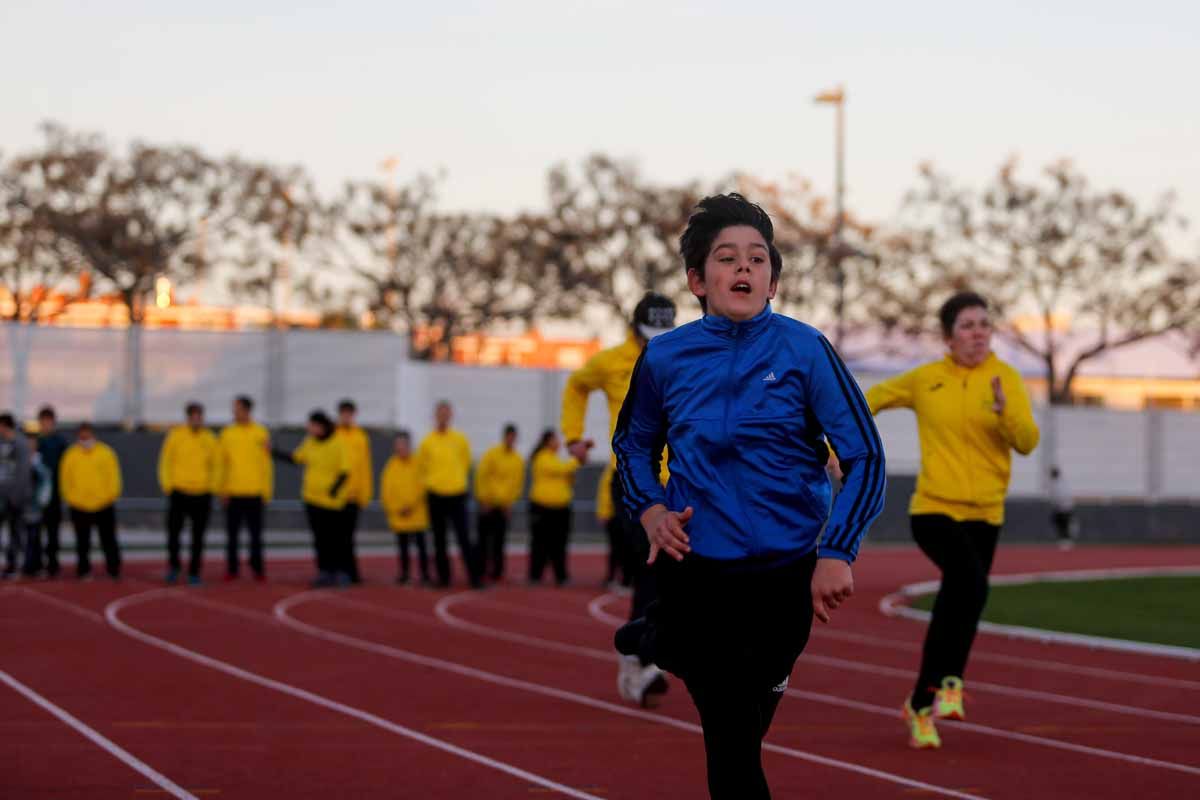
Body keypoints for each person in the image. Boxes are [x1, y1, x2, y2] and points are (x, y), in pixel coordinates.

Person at [613, 194, 886, 799]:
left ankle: (660, 641)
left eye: (757, 259)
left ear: (773, 280)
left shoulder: (806, 350)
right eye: (727, 258)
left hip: (784, 575)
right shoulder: (664, 358)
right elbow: (632, 447)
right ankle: (673, 634)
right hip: (697, 569)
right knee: (733, 745)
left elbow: (866, 455)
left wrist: (837, 552)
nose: (744, 269)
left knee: (741, 729)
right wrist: (652, 509)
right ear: (696, 280)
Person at [866, 290, 1039, 750]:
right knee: (972, 586)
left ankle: (922, 705)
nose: (978, 333)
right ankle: (951, 684)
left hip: (986, 513)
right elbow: (871, 399)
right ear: (948, 336)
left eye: (984, 324)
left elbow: (1026, 442)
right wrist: (835, 443)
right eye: (967, 325)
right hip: (934, 509)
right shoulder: (927, 380)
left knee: (958, 602)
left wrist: (1005, 415)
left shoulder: (1006, 379)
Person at [561, 290, 677, 706]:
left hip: (679, 484)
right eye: (647, 335)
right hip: (632, 482)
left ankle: (640, 650)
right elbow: (576, 386)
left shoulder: (681, 356)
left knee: (679, 576)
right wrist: (573, 436)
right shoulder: (610, 361)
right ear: (632, 328)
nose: (653, 342)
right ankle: (640, 658)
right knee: (651, 569)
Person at [273, 411, 351, 587]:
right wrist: (274, 452)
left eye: (312, 425)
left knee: (335, 539)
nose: (309, 429)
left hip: (332, 502)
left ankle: (338, 571)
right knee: (319, 539)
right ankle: (324, 572)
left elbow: (345, 471)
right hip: (312, 499)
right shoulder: (310, 442)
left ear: (321, 426)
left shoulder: (339, 442)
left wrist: (333, 490)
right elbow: (296, 458)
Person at [416, 401, 482, 589]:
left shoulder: (460, 439)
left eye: (446, 413)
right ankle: (443, 578)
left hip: (457, 494)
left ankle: (474, 577)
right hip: (435, 495)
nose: (443, 416)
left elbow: (466, 462)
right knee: (439, 539)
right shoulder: (427, 442)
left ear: (451, 415)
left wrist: (456, 481)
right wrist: (431, 485)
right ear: (435, 415)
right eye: (440, 413)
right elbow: (421, 468)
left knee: (464, 538)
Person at [157, 402, 219, 585]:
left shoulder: (209, 438)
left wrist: (212, 487)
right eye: (193, 417)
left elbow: (216, 465)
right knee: (173, 533)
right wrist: (168, 485)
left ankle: (194, 572)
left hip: (202, 493)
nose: (196, 420)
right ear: (188, 418)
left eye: (199, 417)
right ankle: (174, 567)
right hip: (179, 492)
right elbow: (165, 461)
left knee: (198, 537)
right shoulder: (176, 436)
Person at [217, 395, 273, 582]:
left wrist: (266, 491)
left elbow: (266, 465)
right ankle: (232, 569)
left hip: (255, 493)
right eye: (234, 408)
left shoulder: (261, 433)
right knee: (232, 536)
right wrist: (222, 490)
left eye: (237, 408)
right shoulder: (227, 433)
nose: (234, 412)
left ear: (247, 410)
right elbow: (221, 464)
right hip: (233, 493)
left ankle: (258, 568)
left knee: (256, 536)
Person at [59, 423, 124, 580]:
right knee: (82, 542)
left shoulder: (106, 453)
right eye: (82, 436)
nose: (85, 439)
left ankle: (113, 569)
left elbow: (114, 476)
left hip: (103, 504)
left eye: (87, 435)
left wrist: (111, 495)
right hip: (79, 505)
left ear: (93, 435)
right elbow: (65, 479)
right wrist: (70, 497)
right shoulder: (71, 455)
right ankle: (83, 570)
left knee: (108, 540)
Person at [526, 429, 582, 586]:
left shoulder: (556, 459)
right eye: (555, 439)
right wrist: (578, 458)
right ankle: (535, 575)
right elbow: (562, 469)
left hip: (561, 509)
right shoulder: (542, 457)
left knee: (560, 543)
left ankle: (561, 575)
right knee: (540, 543)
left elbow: (568, 477)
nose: (558, 442)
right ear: (547, 442)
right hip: (542, 508)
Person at [474, 423, 525, 581]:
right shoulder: (492, 454)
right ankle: (480, 569)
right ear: (504, 437)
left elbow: (517, 484)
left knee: (499, 540)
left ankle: (497, 571)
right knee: (483, 540)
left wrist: (510, 503)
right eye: (509, 436)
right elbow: (482, 476)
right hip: (487, 504)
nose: (511, 439)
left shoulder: (517, 459)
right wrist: (483, 499)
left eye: (514, 437)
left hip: (504, 506)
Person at [380, 430, 431, 584]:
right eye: (397, 445)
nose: (400, 448)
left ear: (409, 445)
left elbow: (422, 486)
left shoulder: (418, 463)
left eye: (403, 444)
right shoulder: (391, 466)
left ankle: (425, 575)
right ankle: (404, 574)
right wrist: (396, 508)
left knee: (422, 548)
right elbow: (386, 491)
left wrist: (410, 506)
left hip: (417, 515)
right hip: (399, 516)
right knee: (403, 549)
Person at [335, 399, 373, 584]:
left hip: (353, 495)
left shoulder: (361, 437)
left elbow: (364, 467)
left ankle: (351, 572)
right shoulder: (333, 435)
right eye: (343, 413)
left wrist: (364, 493)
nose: (346, 417)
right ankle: (336, 571)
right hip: (334, 496)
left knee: (349, 536)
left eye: (349, 413)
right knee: (335, 536)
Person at [36, 406, 68, 578]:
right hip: (37, 495)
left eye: (47, 422)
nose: (44, 425)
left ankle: (53, 565)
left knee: (52, 531)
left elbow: (66, 469)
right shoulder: (36, 441)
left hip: (54, 494)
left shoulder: (61, 443)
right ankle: (36, 563)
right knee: (35, 531)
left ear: (53, 422)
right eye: (42, 422)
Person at [0, 413, 31, 577]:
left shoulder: (20, 443)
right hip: (1, 496)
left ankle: (14, 565)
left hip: (14, 497)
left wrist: (16, 496)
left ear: (5, 426)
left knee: (15, 532)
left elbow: (23, 472)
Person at [19, 424, 53, 576]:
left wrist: (42, 499)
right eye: (28, 441)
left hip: (36, 504)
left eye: (33, 441)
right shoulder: (19, 459)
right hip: (21, 503)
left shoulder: (40, 460)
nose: (30, 444)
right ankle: (25, 564)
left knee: (36, 536)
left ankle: (36, 565)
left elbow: (46, 480)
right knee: (22, 536)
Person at [1048, 466, 1077, 550]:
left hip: (1064, 507)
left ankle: (1066, 541)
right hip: (1061, 507)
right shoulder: (1055, 483)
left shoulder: (1059, 483)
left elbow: (1062, 496)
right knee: (1059, 523)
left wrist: (1060, 504)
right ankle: (1063, 540)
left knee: (1064, 524)